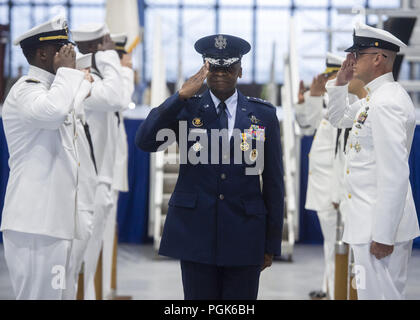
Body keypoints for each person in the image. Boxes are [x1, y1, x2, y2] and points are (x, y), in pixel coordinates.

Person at [136, 34, 284, 300]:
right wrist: (178, 97)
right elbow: (145, 140)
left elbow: (273, 181)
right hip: (196, 234)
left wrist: (271, 242)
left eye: (228, 67)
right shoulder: (187, 109)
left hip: (245, 234)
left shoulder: (262, 115)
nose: (221, 73)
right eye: (214, 67)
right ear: (205, 69)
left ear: (240, 70)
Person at [326, 22, 420, 299]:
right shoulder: (375, 99)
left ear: (378, 59)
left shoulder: (387, 102)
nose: (351, 61)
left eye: (358, 54)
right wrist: (340, 85)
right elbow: (337, 119)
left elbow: (395, 174)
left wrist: (384, 234)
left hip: (378, 228)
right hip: (368, 223)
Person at [0, 15, 85, 299]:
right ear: (44, 53)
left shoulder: (53, 90)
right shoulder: (25, 90)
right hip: (34, 224)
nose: (70, 53)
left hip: (53, 223)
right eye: (63, 47)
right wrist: (67, 74)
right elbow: (53, 114)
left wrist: (71, 75)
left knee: (58, 295)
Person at [71, 23, 129, 299]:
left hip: (101, 176)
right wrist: (108, 59)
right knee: (77, 263)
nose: (112, 49)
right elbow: (118, 98)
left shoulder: (99, 76)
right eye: (106, 43)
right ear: (97, 46)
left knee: (89, 259)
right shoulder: (85, 78)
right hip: (88, 180)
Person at [63, 52, 98, 300]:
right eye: (84, 75)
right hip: (71, 212)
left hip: (83, 208)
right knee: (64, 279)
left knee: (71, 278)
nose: (90, 80)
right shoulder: (66, 117)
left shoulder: (80, 118)